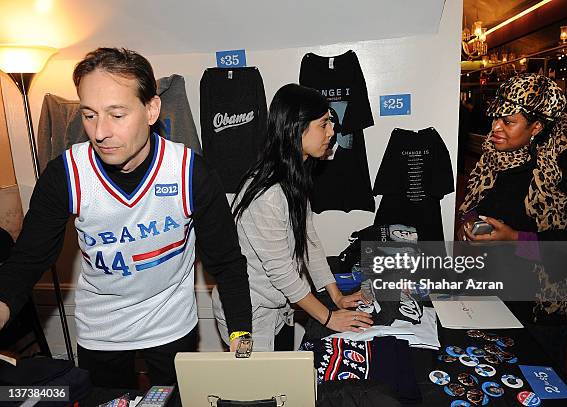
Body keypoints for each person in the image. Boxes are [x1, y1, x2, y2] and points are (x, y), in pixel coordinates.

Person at [0, 48, 252, 388]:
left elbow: (226, 262)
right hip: (101, 332)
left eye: (116, 115)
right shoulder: (67, 174)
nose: (100, 132)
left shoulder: (190, 172)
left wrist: (240, 335)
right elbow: (27, 261)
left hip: (171, 324)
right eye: (89, 115)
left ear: (151, 110)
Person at [457, 73, 567, 369]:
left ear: (537, 126)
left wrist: (515, 240)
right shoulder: (495, 157)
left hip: (543, 310)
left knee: (537, 380)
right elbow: (477, 204)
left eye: (508, 122)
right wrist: (472, 223)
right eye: (495, 118)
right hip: (493, 292)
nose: (495, 128)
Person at [212, 84, 373, 351]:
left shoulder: (292, 179)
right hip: (246, 317)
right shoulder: (269, 194)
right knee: (255, 391)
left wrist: (335, 296)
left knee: (282, 387)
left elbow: (308, 241)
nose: (331, 132)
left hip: (278, 307)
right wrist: (329, 317)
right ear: (296, 128)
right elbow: (282, 272)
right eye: (323, 124)